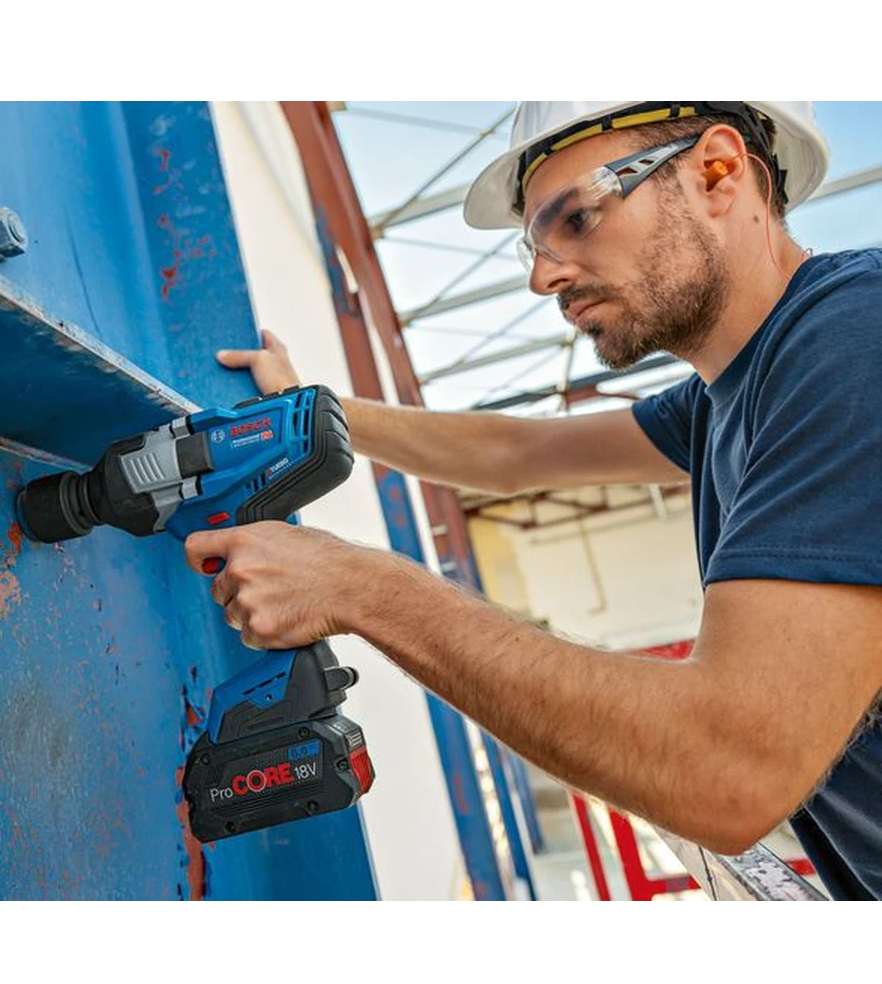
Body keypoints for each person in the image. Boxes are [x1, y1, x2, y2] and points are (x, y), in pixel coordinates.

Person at [185, 101, 882, 901]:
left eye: (576, 219)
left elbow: (726, 767)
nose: (542, 277)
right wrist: (315, 412)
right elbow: (514, 453)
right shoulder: (727, 397)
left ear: (717, 172)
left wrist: (361, 586)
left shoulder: (854, 337)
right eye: (536, 245)